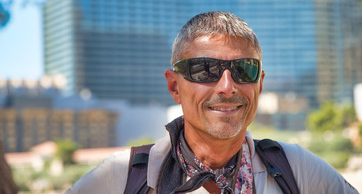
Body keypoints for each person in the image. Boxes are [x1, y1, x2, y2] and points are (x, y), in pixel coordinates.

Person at [64, 11, 358, 194]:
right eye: (205, 70)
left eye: (245, 70)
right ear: (174, 86)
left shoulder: (295, 168)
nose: (228, 87)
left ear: (260, 84)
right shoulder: (123, 176)